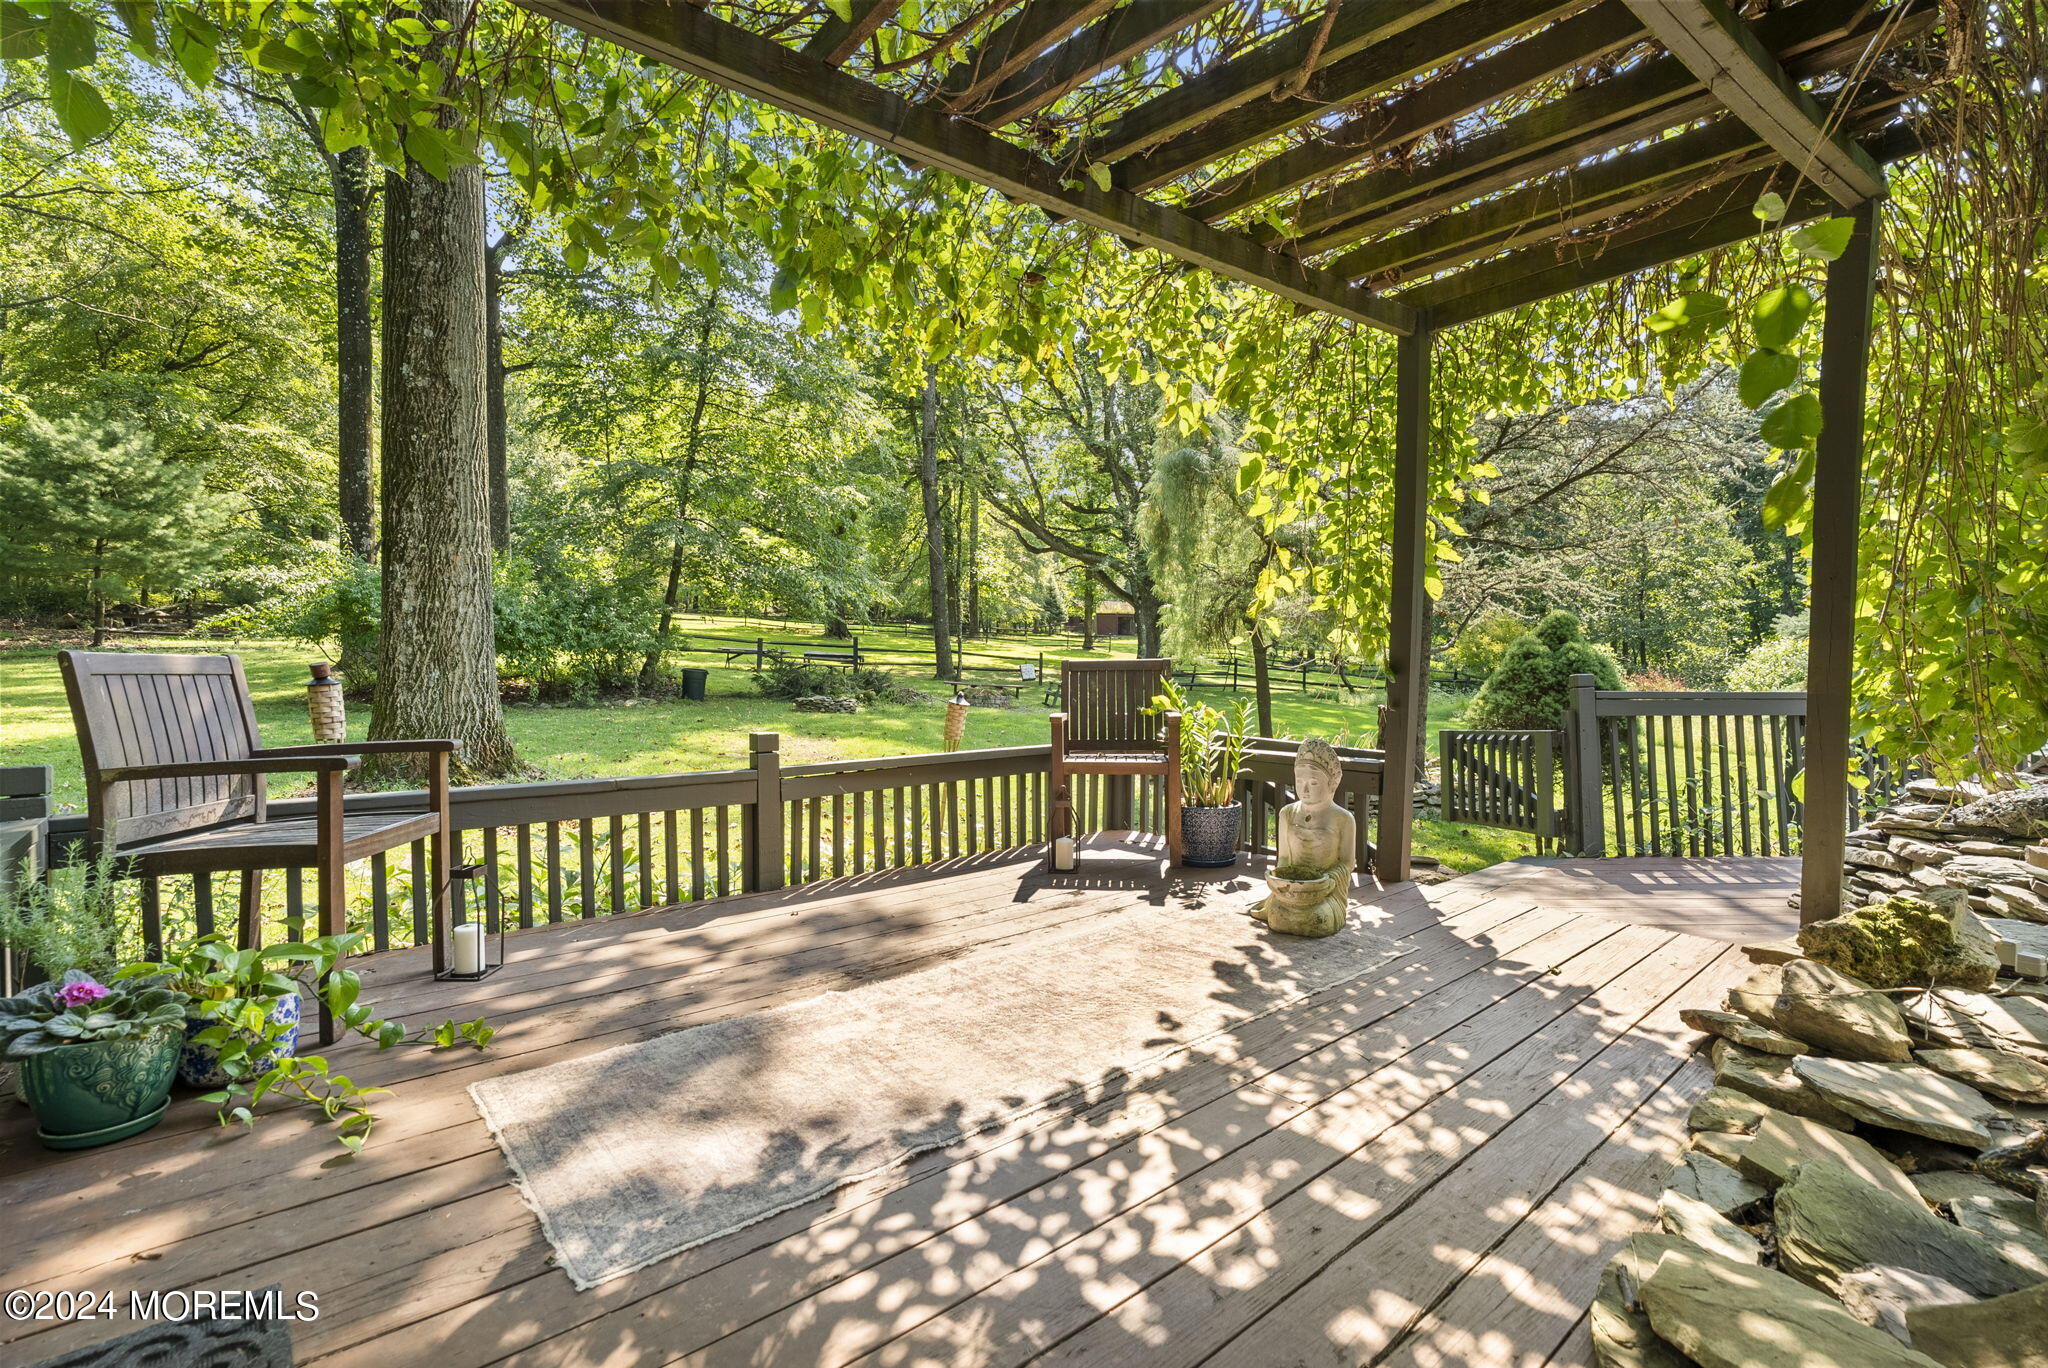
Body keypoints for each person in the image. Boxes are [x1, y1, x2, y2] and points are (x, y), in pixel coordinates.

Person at [1248, 738, 1355, 937]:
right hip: (1291, 888)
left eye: (1313, 783)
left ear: (1332, 783)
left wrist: (1328, 880)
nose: (1304, 790)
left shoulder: (1343, 819)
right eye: (1299, 782)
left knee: (1318, 919)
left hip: (1325, 890)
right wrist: (1282, 881)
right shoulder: (1287, 814)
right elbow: (1284, 858)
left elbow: (1347, 863)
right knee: (1278, 915)